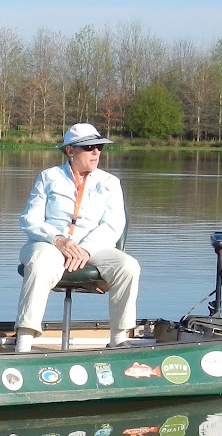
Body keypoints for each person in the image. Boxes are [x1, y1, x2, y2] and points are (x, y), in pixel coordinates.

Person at [14, 122, 139, 352]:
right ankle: (24, 343)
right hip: (48, 244)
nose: (96, 152)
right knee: (41, 261)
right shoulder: (48, 177)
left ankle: (118, 339)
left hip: (94, 248)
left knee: (128, 266)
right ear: (70, 150)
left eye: (99, 147)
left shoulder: (110, 183)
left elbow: (113, 225)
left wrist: (85, 250)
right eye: (89, 147)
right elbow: (29, 220)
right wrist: (58, 239)